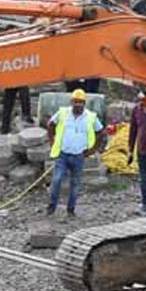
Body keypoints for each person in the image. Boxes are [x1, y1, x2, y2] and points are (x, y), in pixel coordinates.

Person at [46, 89, 105, 218]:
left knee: (75, 184)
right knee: (57, 180)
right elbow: (50, 125)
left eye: (81, 102)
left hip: (79, 155)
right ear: (71, 102)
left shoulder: (90, 116)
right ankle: (51, 206)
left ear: (84, 103)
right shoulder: (63, 113)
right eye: (76, 102)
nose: (78, 104)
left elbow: (100, 132)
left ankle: (71, 209)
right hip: (63, 154)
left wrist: (93, 150)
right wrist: (52, 142)